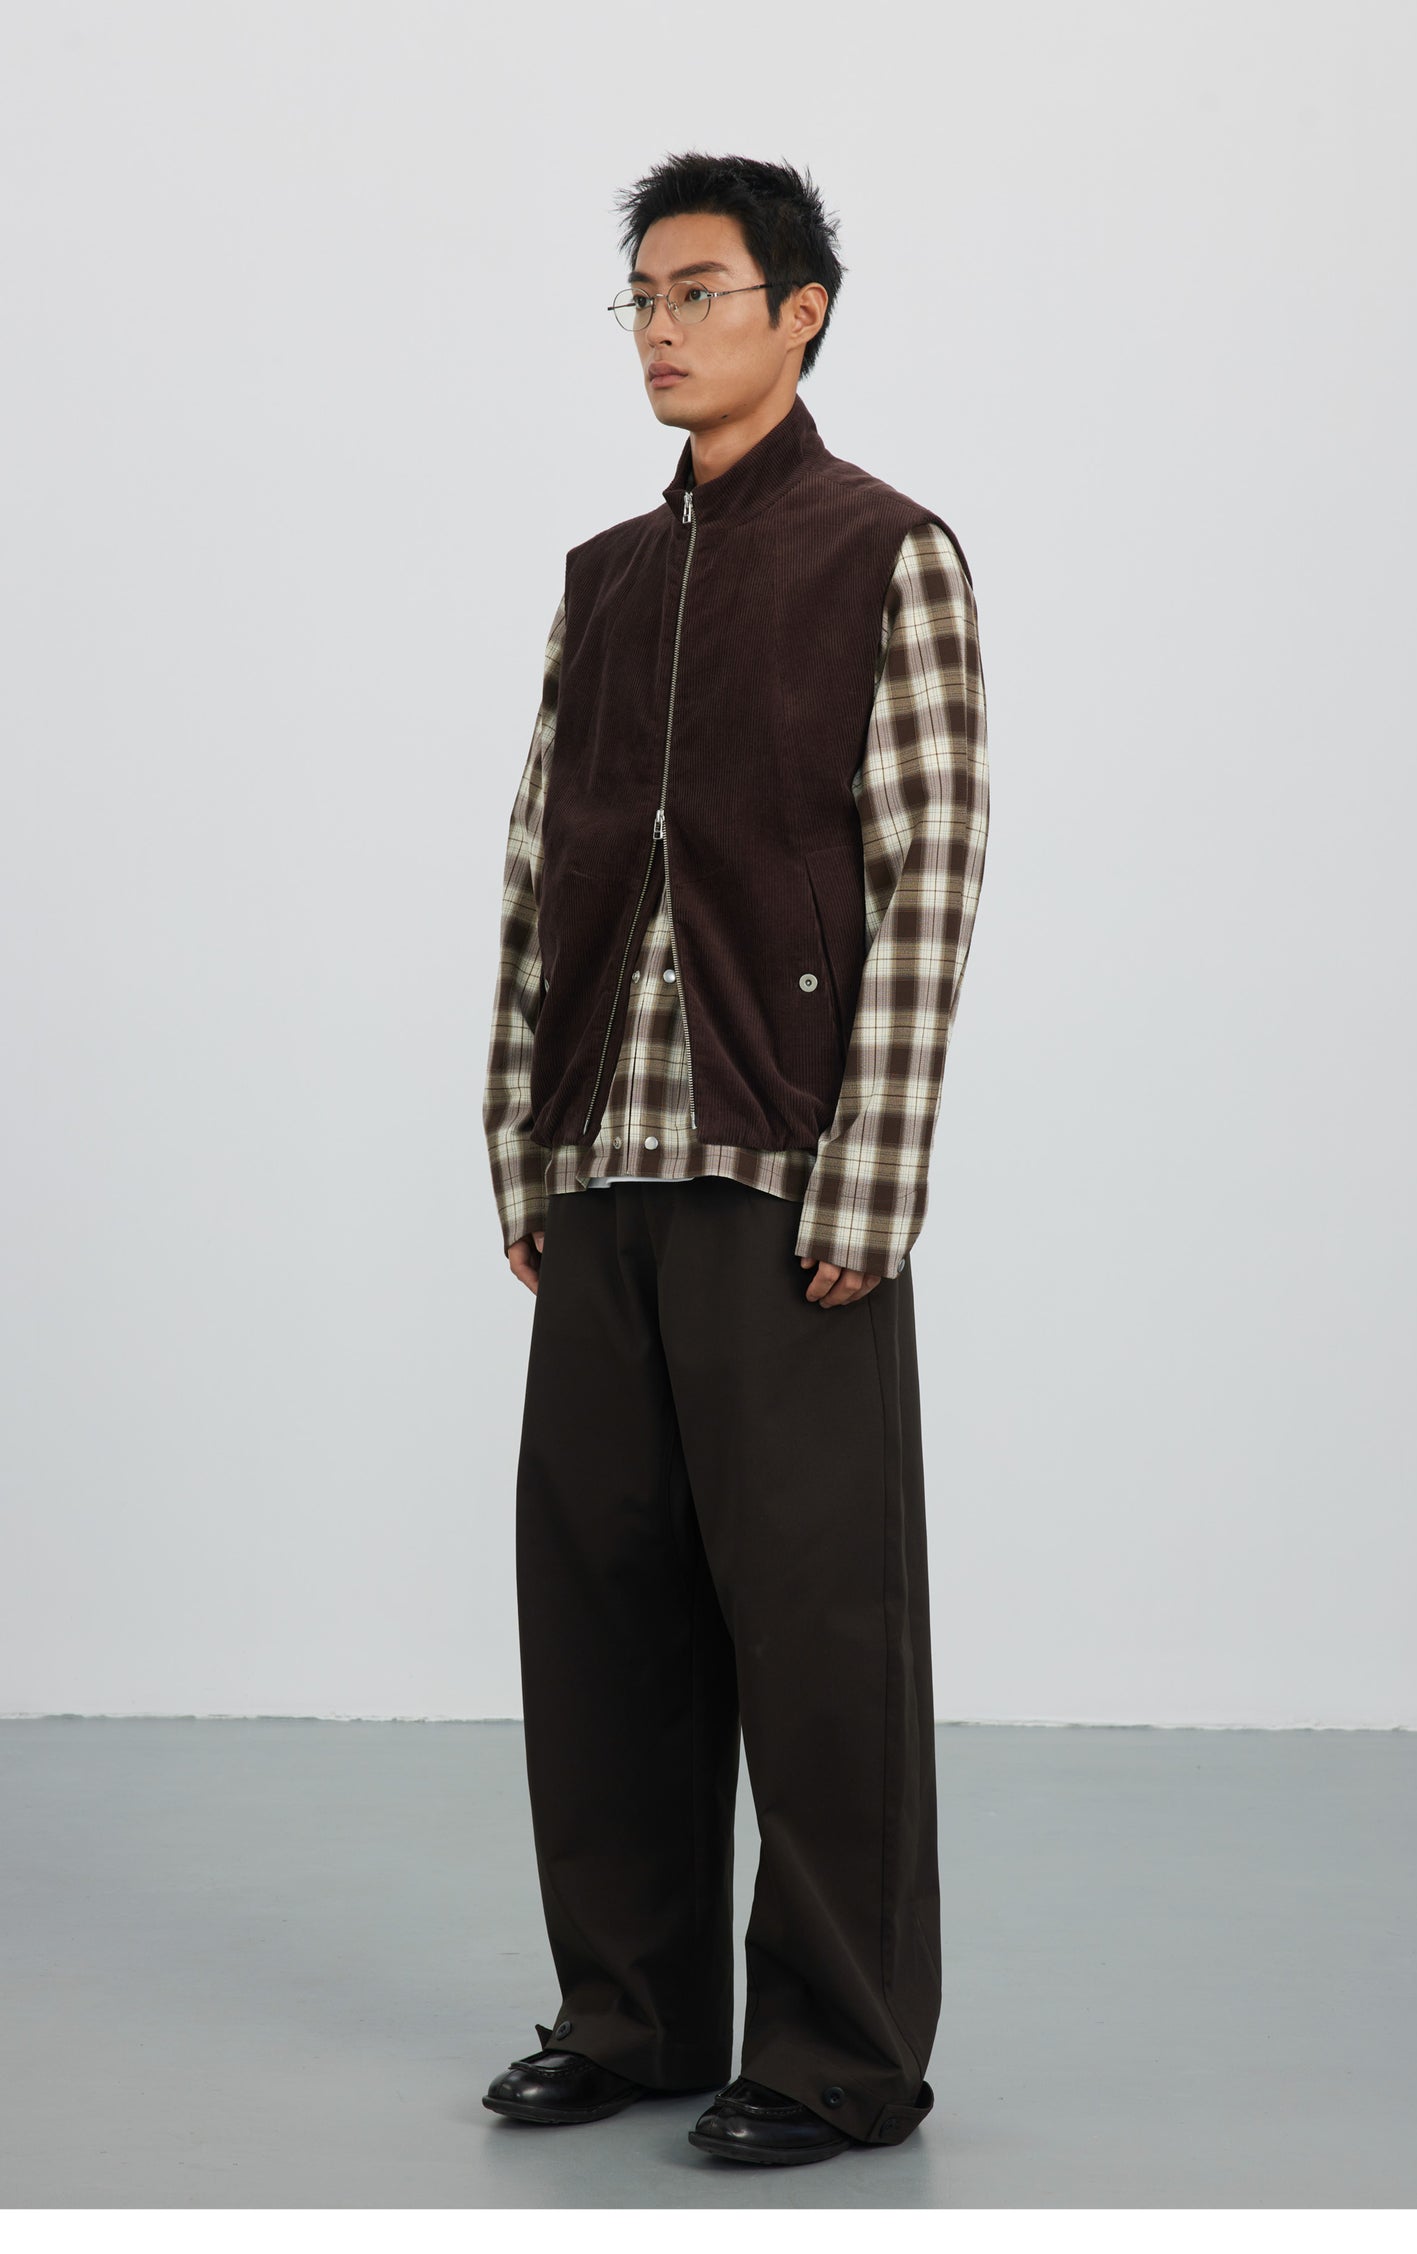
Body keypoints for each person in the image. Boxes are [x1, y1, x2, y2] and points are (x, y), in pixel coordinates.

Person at [480, 152, 989, 2168]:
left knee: (819, 1624)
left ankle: (842, 2053)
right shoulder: (605, 576)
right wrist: (519, 1141)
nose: (663, 328)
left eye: (700, 291)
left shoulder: (887, 553)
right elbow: (535, 872)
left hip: (787, 1173)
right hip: (601, 1161)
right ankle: (631, 2010)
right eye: (643, 297)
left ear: (802, 312)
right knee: (600, 1605)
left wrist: (872, 1178)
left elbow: (927, 875)